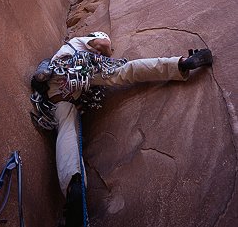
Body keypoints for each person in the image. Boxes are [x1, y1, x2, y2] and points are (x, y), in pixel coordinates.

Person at [47, 31, 213, 227]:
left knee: (67, 133)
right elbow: (102, 43)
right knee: (127, 70)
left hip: (57, 97)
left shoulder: (66, 49)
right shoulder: (80, 41)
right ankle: (182, 64)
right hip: (75, 68)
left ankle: (73, 186)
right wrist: (108, 53)